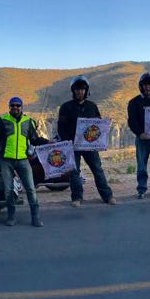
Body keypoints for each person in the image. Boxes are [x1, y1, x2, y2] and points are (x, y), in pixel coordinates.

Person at [0, 97, 49, 227]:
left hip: (23, 160)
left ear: (21, 107)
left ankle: (35, 217)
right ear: (9, 107)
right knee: (9, 190)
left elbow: (33, 139)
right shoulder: (1, 120)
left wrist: (47, 142)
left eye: (17, 105)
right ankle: (11, 216)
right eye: (12, 105)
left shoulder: (28, 121)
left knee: (31, 189)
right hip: (6, 160)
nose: (15, 107)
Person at [56, 75, 116, 207]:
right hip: (73, 146)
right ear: (73, 90)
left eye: (82, 89)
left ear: (86, 90)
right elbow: (61, 127)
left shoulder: (92, 106)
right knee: (74, 173)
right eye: (77, 89)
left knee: (97, 169)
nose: (80, 91)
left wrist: (101, 133)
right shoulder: (66, 107)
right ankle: (76, 197)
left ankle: (107, 196)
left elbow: (98, 125)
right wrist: (68, 142)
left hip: (90, 146)